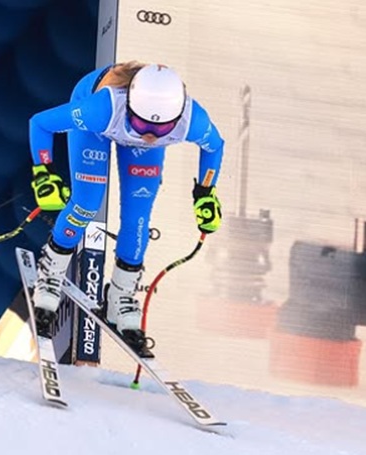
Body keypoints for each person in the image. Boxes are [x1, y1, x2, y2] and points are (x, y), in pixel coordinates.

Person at [26, 62, 225, 356]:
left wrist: (205, 194)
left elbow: (215, 146)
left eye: (162, 129)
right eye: (144, 125)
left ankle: (121, 296)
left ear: (178, 117)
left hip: (124, 123)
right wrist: (44, 174)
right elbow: (40, 123)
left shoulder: (192, 120)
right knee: (86, 203)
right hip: (103, 125)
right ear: (132, 106)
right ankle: (50, 276)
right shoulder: (100, 109)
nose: (149, 136)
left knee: (138, 218)